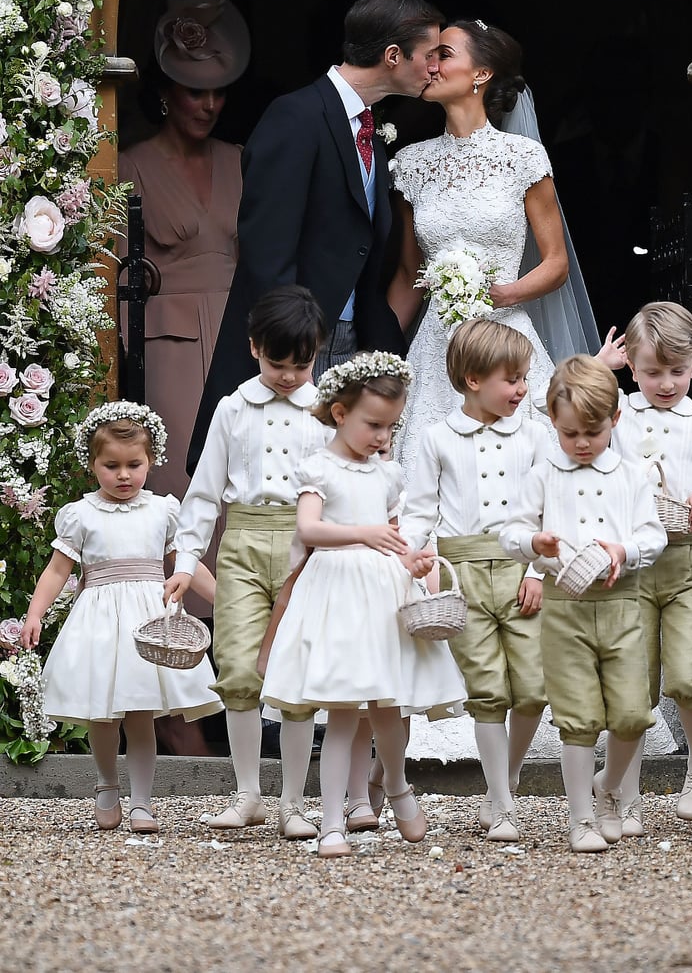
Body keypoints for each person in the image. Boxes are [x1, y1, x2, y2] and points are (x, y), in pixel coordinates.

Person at [187, 0, 446, 476]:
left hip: (353, 334)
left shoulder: (371, 127)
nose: (435, 67)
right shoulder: (297, 116)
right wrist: (289, 348)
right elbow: (267, 247)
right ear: (393, 56)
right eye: (430, 55)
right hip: (300, 342)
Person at [260, 352, 466, 858]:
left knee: (389, 707)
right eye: (373, 424)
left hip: (382, 591)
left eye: (390, 427)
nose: (381, 437)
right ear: (339, 414)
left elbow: (399, 538)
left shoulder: (387, 474)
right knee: (343, 709)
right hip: (335, 591)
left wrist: (416, 562)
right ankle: (332, 821)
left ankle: (394, 785)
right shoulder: (319, 470)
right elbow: (309, 529)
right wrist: (363, 533)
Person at [386, 17, 602, 484]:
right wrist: (384, 353)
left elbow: (556, 263)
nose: (431, 64)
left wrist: (500, 297)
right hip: (435, 346)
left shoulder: (523, 158)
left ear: (481, 75)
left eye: (444, 54)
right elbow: (409, 276)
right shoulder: (409, 164)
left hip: (507, 338)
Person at [163, 285, 331, 838]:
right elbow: (205, 493)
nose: (288, 375)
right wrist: (187, 560)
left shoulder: (328, 412)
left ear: (317, 352)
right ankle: (247, 793)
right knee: (237, 668)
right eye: (276, 362)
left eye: (300, 364)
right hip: (242, 545)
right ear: (254, 346)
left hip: (305, 550)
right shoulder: (232, 409)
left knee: (298, 675)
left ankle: (293, 803)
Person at [19, 401, 222, 833]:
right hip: (98, 623)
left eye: (134, 464)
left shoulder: (163, 510)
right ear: (93, 464)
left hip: (147, 619)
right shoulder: (81, 515)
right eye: (112, 466)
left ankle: (143, 802)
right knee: (103, 715)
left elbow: (186, 562)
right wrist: (35, 613)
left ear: (151, 461)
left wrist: (223, 600)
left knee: (141, 712)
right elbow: (58, 570)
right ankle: (107, 783)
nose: (124, 475)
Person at [499, 355, 667, 853]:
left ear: (615, 421)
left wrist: (624, 550)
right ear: (553, 422)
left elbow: (653, 536)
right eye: (570, 433)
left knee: (634, 712)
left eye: (592, 433)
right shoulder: (543, 474)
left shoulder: (633, 476)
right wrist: (536, 544)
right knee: (577, 717)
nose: (581, 444)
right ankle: (581, 820)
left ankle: (608, 784)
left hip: (621, 605)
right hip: (564, 607)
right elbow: (510, 532)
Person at [118, 0, 251, 582]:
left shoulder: (243, 159)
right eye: (196, 91)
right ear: (166, 93)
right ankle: (180, 629)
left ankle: (247, 626)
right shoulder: (129, 166)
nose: (209, 104)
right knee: (179, 480)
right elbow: (113, 277)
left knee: (247, 479)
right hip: (166, 346)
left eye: (219, 92)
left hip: (242, 337)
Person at [399, 318, 551, 841]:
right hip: (461, 575)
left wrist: (536, 571)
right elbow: (419, 510)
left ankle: (501, 782)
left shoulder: (535, 436)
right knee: (487, 691)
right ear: (472, 380)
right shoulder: (438, 438)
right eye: (512, 379)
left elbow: (550, 510)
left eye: (524, 378)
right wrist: (415, 558)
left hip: (522, 570)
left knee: (533, 689)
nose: (522, 389)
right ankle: (505, 805)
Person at [602, 302, 692, 834]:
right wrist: (601, 369)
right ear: (632, 367)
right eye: (652, 371)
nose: (666, 383)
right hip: (633, 565)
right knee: (634, 685)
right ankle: (628, 793)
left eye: (677, 371)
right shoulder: (617, 413)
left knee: (688, 674)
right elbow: (562, 413)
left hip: (687, 562)